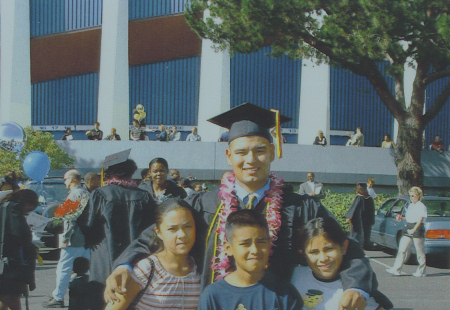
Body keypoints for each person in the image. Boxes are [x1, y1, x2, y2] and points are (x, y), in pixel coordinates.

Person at [106, 103, 377, 310]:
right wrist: (125, 265)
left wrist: (358, 287)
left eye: (259, 150)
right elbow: (155, 235)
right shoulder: (203, 204)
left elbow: (346, 246)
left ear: (272, 152)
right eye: (241, 152)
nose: (251, 159)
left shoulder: (302, 207)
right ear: (228, 156)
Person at [77, 154, 155, 310]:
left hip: (105, 256)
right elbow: (151, 229)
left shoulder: (100, 194)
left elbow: (88, 224)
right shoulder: (143, 196)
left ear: (111, 173)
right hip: (135, 256)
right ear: (130, 173)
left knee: (102, 299)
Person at [105, 198, 201, 310]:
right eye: (172, 229)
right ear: (158, 232)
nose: (182, 235)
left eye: (188, 226)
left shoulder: (199, 270)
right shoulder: (146, 269)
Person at [198, 209, 302, 310]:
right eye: (245, 244)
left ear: (269, 243)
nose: (255, 250)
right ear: (228, 248)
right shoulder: (213, 296)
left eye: (261, 242)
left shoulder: (285, 294)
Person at [291, 217, 390, 310]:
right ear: (303, 253)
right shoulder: (294, 276)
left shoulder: (354, 294)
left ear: (344, 247)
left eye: (329, 249)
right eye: (313, 252)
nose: (323, 259)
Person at [43, 169, 91, 308]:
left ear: (72, 179)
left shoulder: (75, 194)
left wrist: (65, 238)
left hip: (75, 238)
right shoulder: (84, 192)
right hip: (85, 237)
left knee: (63, 268)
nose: (65, 182)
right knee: (85, 269)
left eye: (65, 179)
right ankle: (85, 295)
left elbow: (70, 219)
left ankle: (58, 297)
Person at [0, 189, 39, 310]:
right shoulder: (13, 209)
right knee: (11, 297)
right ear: (24, 201)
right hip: (9, 261)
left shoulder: (4, 206)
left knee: (5, 297)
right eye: (30, 207)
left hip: (4, 259)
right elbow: (19, 234)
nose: (30, 210)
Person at [387, 187, 427, 277]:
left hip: (417, 228)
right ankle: (396, 269)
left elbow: (420, 219)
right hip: (408, 227)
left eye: (413, 196)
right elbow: (410, 218)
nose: (411, 198)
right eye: (410, 196)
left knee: (419, 251)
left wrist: (414, 229)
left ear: (418, 196)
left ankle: (421, 271)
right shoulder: (411, 205)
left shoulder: (421, 206)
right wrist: (402, 218)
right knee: (402, 249)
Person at [345, 183, 375, 249]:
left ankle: (356, 248)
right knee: (364, 235)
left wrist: (349, 217)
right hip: (365, 221)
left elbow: (354, 209)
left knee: (357, 235)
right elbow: (372, 211)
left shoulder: (359, 198)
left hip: (359, 220)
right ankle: (362, 247)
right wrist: (371, 220)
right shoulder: (369, 198)